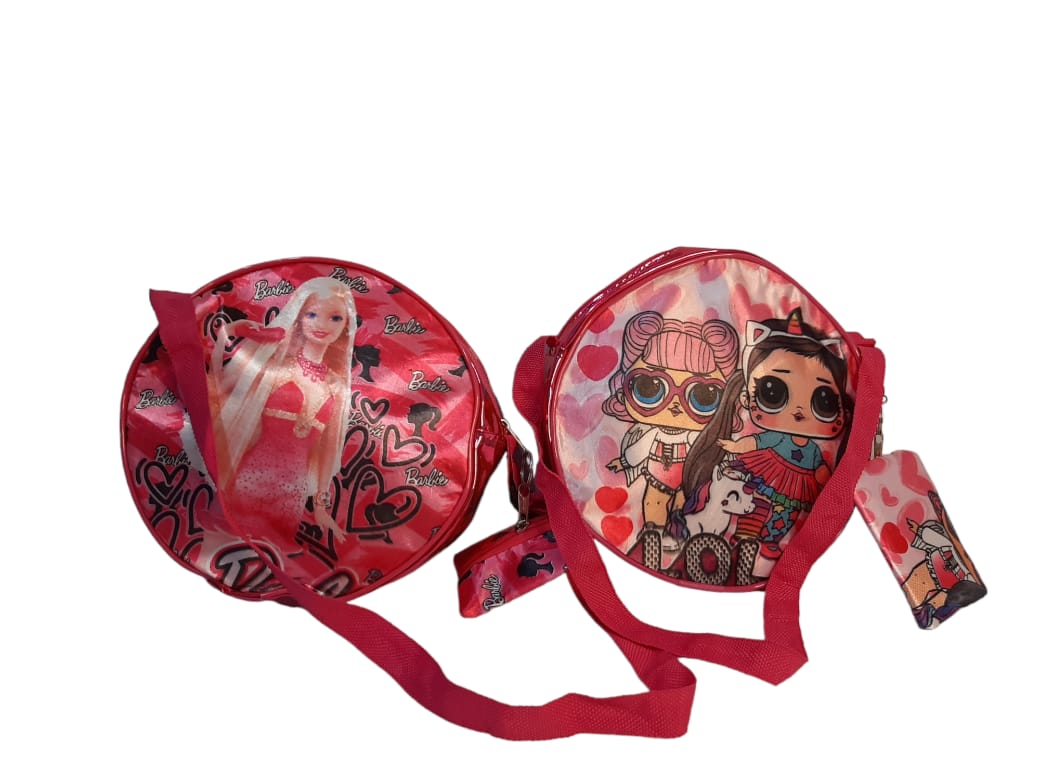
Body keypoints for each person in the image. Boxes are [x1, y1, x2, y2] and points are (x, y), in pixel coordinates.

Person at [682, 307, 851, 581]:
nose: (799, 411)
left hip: (797, 485)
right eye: (773, 392)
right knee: (754, 504)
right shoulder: (776, 438)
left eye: (824, 401)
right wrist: (734, 447)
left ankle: (768, 542)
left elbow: (820, 467)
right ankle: (743, 537)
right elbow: (755, 441)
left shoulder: (811, 450)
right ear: (747, 395)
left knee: (785, 514)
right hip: (767, 472)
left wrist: (829, 482)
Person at [209, 277, 357, 550]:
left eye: (335, 318)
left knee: (272, 557)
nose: (322, 325)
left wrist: (321, 506)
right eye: (312, 314)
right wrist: (231, 329)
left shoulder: (337, 387)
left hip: (293, 495)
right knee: (228, 548)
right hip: (248, 481)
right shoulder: (275, 369)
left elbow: (328, 450)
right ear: (298, 317)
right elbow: (219, 393)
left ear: (346, 325)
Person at [603, 312, 739, 532]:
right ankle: (653, 532)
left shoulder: (697, 436)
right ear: (623, 389)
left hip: (689, 475)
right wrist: (625, 462)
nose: (675, 406)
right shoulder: (653, 433)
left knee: (684, 505)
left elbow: (709, 448)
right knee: (654, 502)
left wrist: (727, 457)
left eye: (704, 395)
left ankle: (677, 533)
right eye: (650, 388)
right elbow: (640, 448)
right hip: (658, 473)